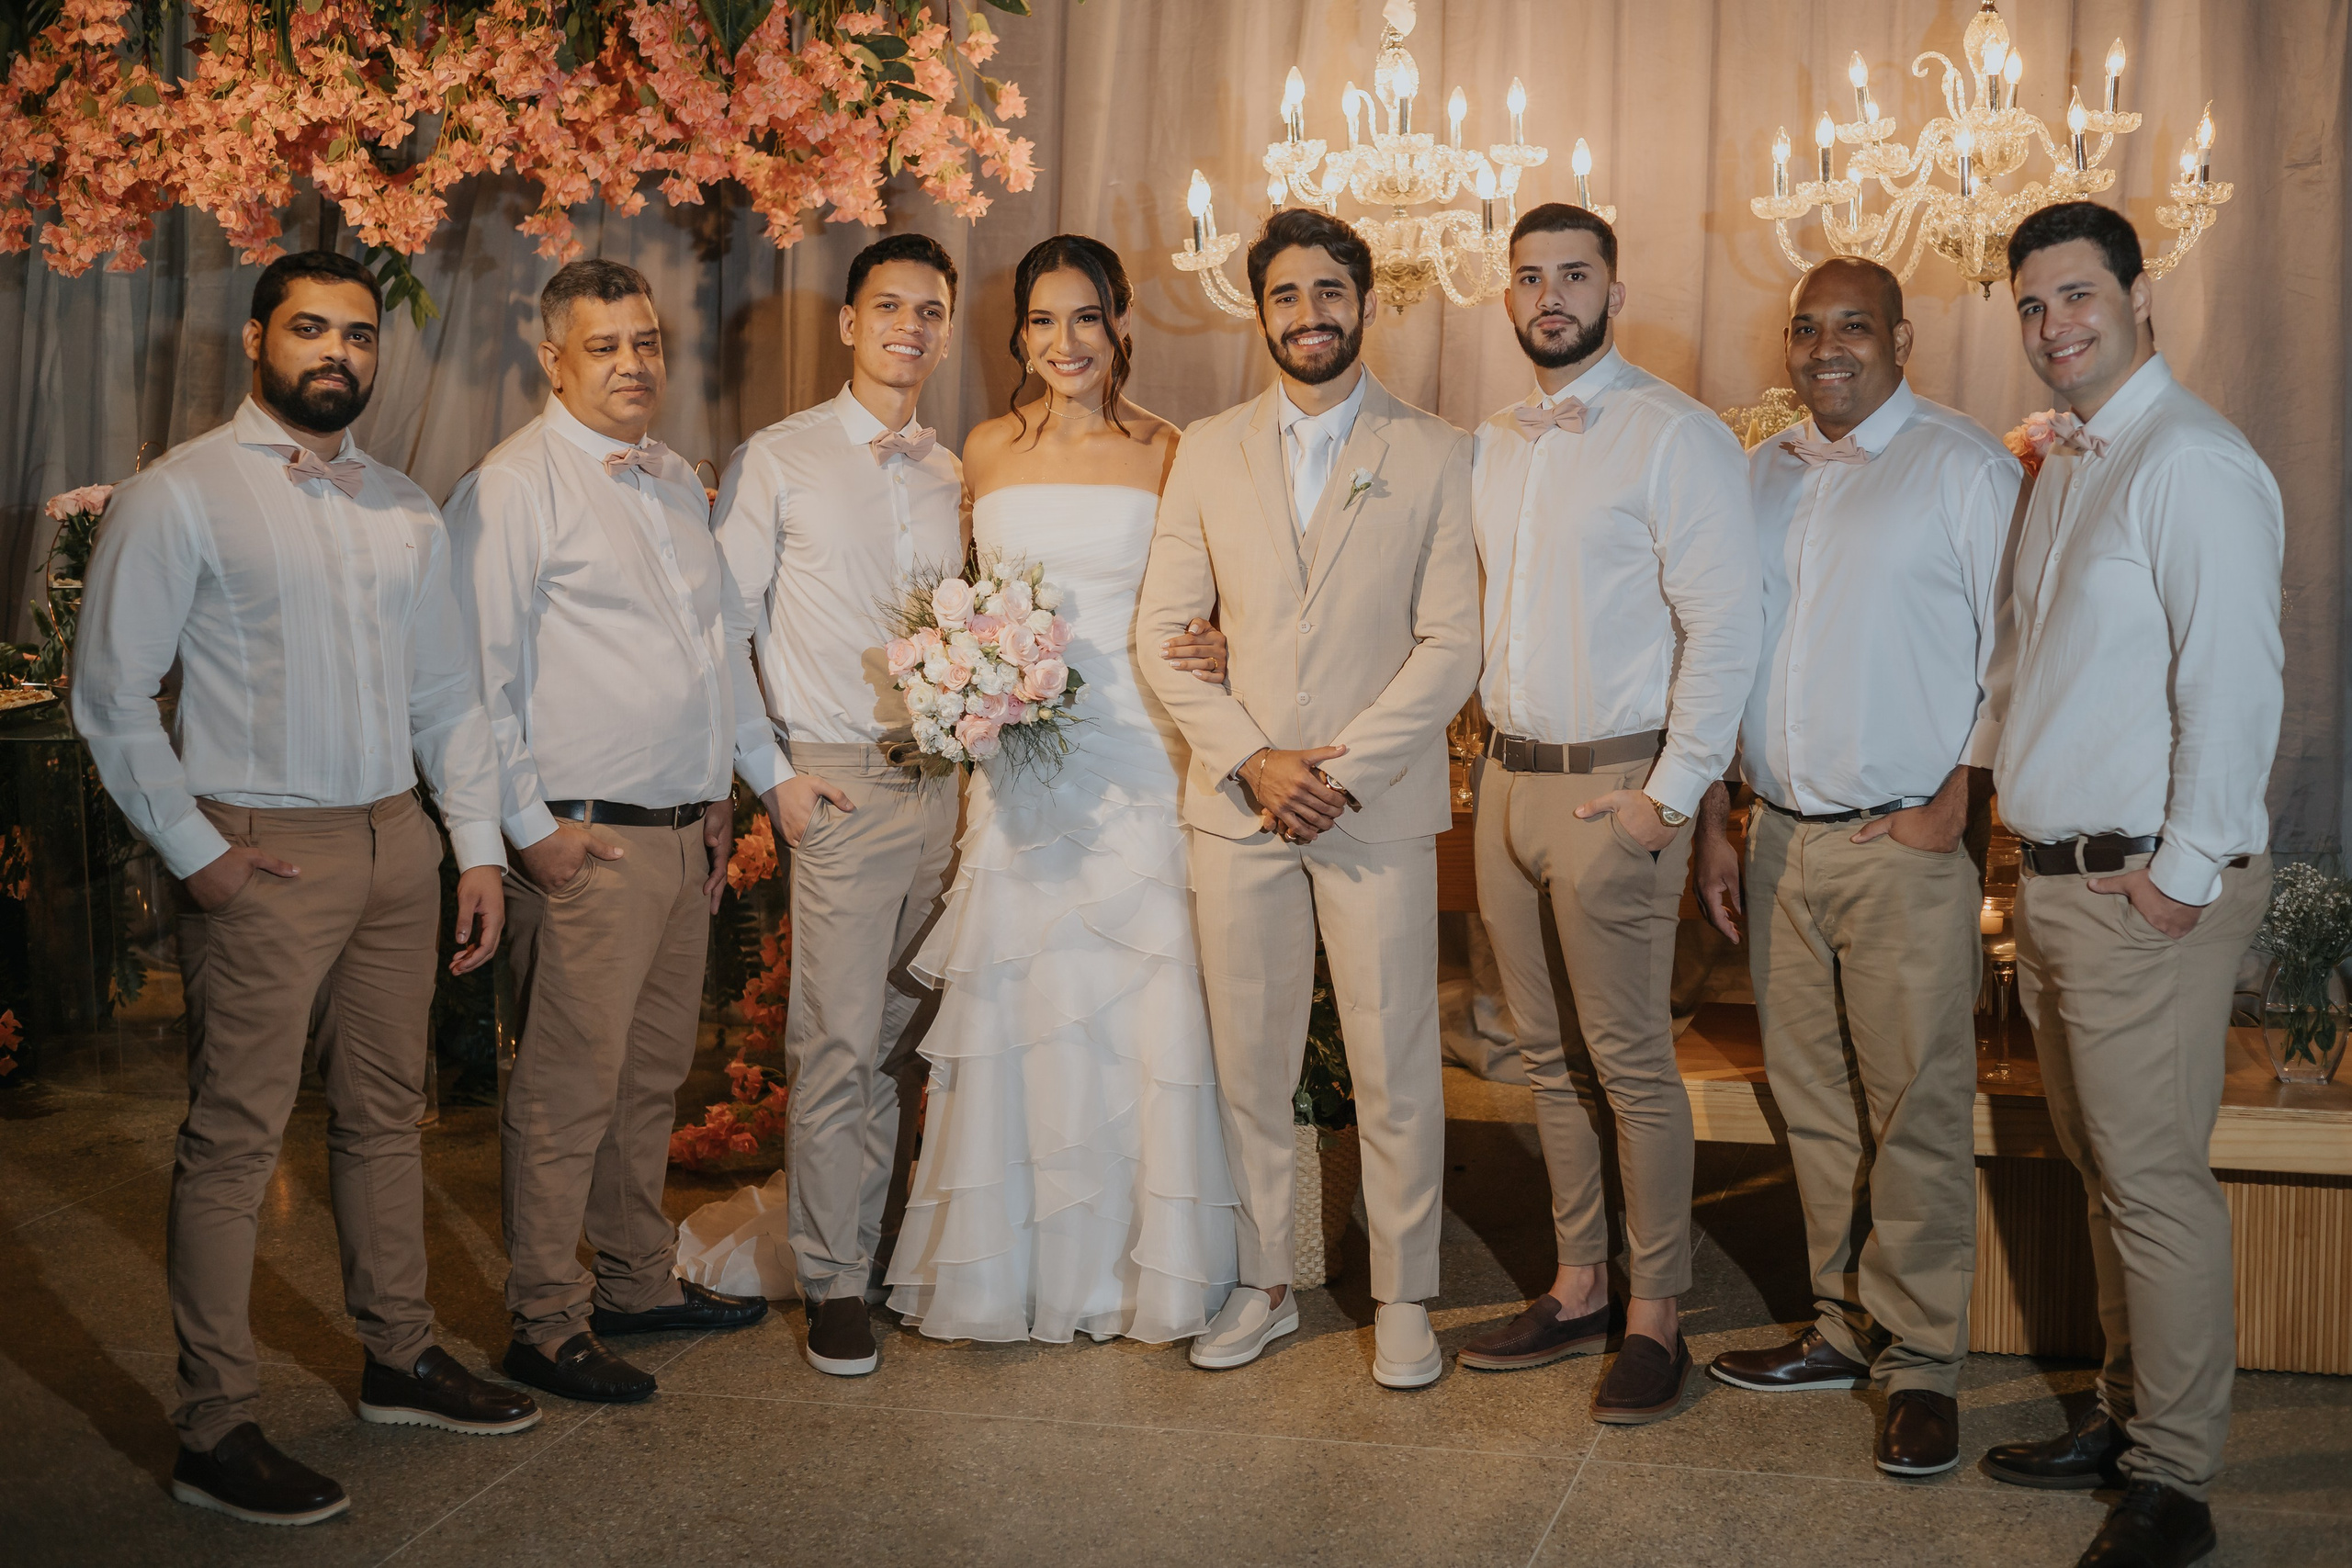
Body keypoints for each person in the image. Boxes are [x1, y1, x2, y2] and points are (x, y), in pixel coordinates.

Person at [74, 250, 537, 1527]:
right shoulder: (181, 497)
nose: (337, 353)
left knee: (388, 1115)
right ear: (255, 342)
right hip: (262, 850)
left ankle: (398, 1353)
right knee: (235, 1135)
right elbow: (110, 694)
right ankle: (213, 1427)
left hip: (397, 844)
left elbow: (447, 693)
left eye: (358, 335)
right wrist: (199, 851)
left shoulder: (402, 504)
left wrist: (476, 845)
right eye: (311, 329)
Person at [1973, 203, 2283, 1568]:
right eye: (2034, 305)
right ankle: (2122, 1412)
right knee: (2106, 1171)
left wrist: (2180, 874)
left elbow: (2235, 684)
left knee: (2153, 1181)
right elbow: (2040, 673)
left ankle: (2177, 1480)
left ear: (2142, 295)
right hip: (2060, 887)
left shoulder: (2192, 461)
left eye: (2080, 295)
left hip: (2140, 890)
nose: (2055, 326)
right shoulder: (2073, 462)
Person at [1136, 208, 1480, 1390]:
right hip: (1239, 806)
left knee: (1394, 1062)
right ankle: (1261, 1280)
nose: (1309, 315)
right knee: (1250, 1064)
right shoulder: (1208, 448)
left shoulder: (1435, 449)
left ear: (1365, 304)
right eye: (1286, 295)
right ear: (1259, 310)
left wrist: (1330, 774)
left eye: (1330, 293)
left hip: (1368, 807)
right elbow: (1160, 628)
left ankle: (1405, 1296)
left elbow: (1450, 645)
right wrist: (1252, 762)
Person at [1690, 257, 2018, 1476]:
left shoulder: (1965, 466)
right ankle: (1840, 1325)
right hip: (1777, 834)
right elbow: (1726, 647)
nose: (1827, 347)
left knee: (1913, 1107)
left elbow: (2011, 651)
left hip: (1902, 843)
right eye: (1807, 327)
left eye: (1854, 327)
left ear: (1902, 338)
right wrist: (1726, 813)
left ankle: (1923, 1361)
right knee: (1815, 1104)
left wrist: (1957, 801)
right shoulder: (1760, 472)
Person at [883, 233, 1241, 1344]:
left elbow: (1214, 595)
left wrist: (1225, 644)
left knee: (1141, 992)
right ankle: (1006, 1270)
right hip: (1020, 761)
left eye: (1085, 317)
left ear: (1122, 323)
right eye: (1042, 321)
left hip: (1137, 750)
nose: (1064, 342)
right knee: (1020, 999)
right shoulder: (981, 451)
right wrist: (961, 677)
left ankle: (1154, 1271)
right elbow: (960, 598)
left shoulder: (1174, 452)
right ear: (1018, 335)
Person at [1452, 204, 1758, 1425]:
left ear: (1614, 290)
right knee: (1542, 1057)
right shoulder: (1493, 440)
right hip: (1507, 780)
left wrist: (1666, 803)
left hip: (1613, 785)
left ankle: (1656, 1313)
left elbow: (1726, 627)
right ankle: (1580, 1281)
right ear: (1510, 297)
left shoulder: (1673, 434)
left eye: (1574, 274)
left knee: (1630, 1063)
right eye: (1529, 277)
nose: (1550, 295)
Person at [447, 258, 769, 1408]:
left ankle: (636, 1279)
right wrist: (529, 832)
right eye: (605, 347)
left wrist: (721, 787)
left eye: (647, 342)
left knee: (648, 1081)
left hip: (683, 836)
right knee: (567, 1092)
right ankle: (544, 1317)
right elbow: (475, 683)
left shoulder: (675, 479)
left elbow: (710, 647)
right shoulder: (511, 486)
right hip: (586, 843)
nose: (634, 365)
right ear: (551, 358)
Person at [710, 233, 969, 1378]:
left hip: (947, 783)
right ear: (849, 325)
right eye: (890, 306)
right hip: (839, 780)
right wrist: (772, 776)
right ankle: (832, 1282)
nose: (910, 326)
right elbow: (721, 624)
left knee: (911, 1039)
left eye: (931, 310)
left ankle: (878, 1248)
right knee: (834, 1043)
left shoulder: (952, 468)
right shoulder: (782, 457)